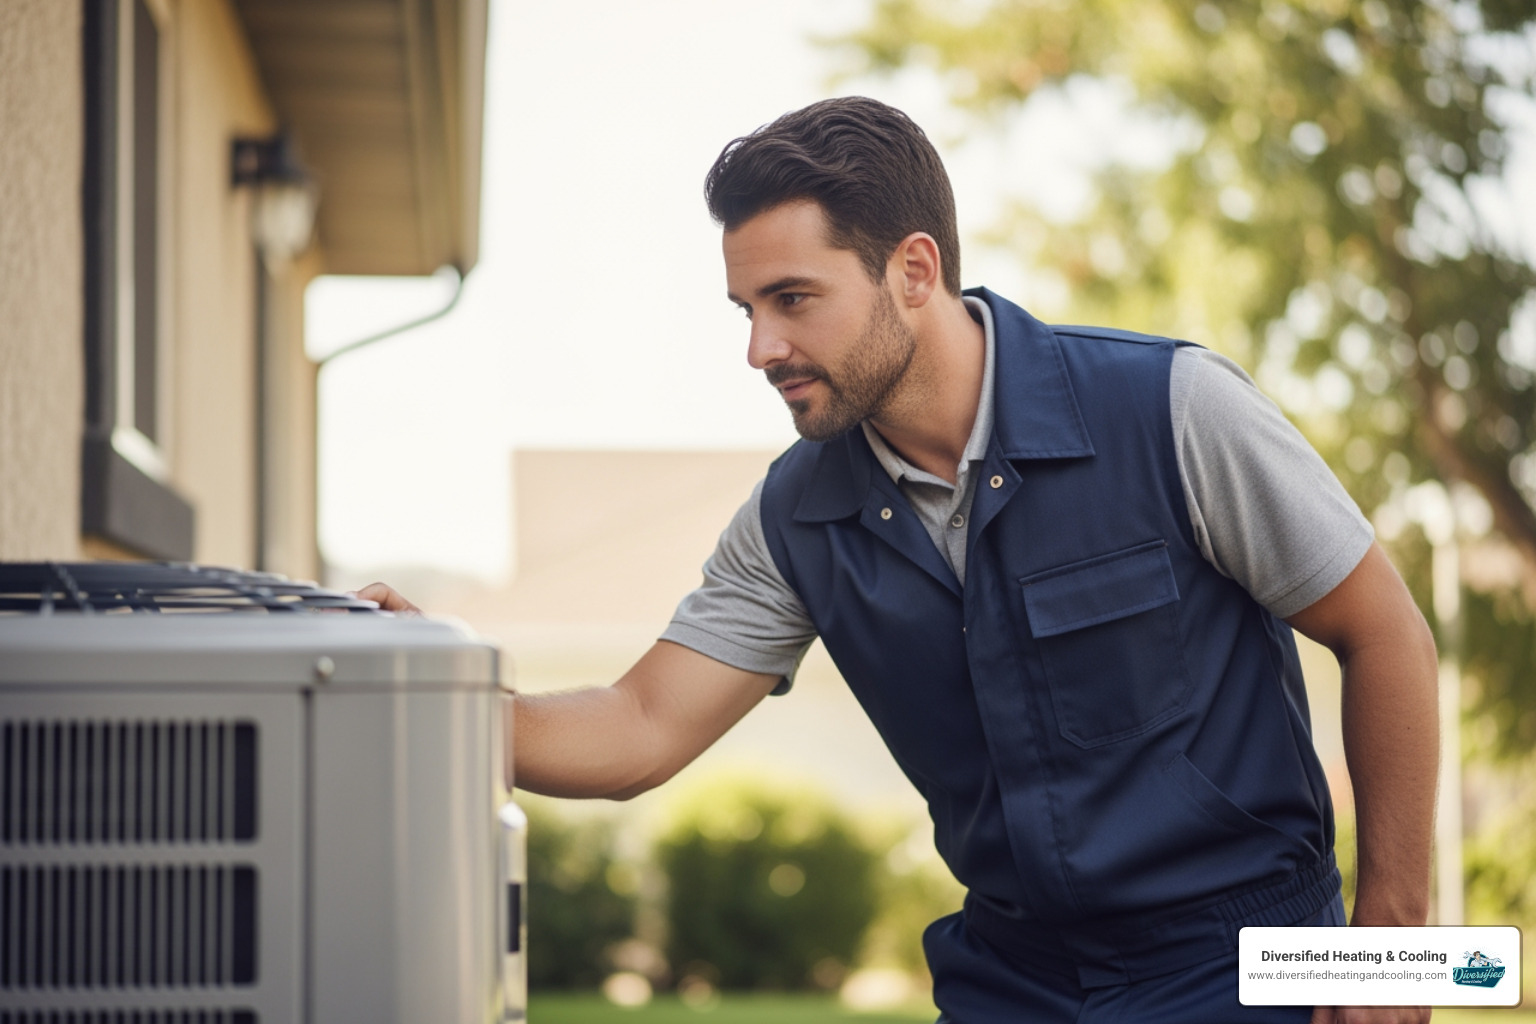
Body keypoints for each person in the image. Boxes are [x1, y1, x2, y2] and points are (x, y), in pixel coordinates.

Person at [363, 96, 1439, 1024]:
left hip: (1247, 958)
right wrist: (429, 697)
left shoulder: (1172, 408)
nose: (760, 349)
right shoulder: (795, 515)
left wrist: (1392, 935)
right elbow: (640, 724)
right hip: (1011, 977)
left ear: (912, 270)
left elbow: (1384, 630)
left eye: (793, 299)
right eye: (746, 309)